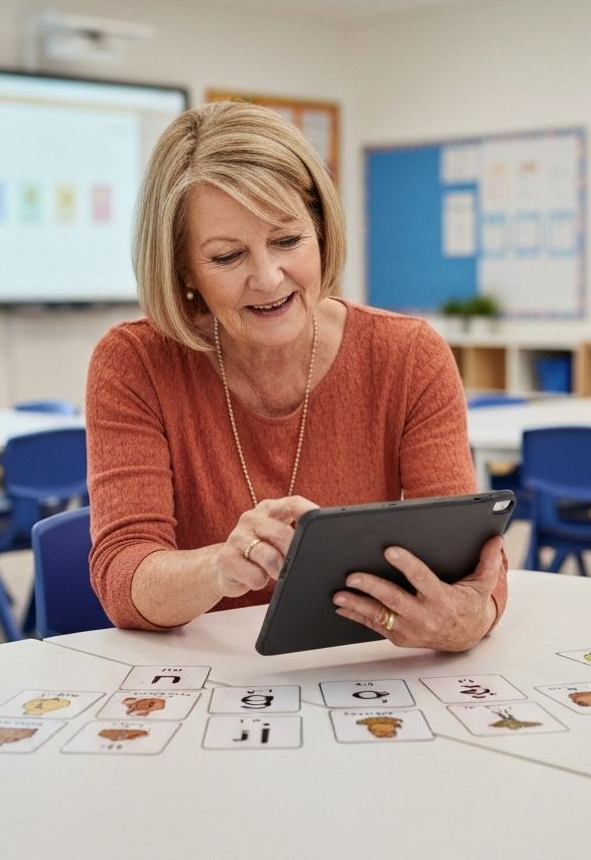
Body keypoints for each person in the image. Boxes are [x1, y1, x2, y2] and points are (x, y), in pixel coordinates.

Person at [86, 101, 508, 651]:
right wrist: (219, 567)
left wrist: (469, 618)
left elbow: (474, 564)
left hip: (358, 670)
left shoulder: (408, 355)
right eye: (228, 256)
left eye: (287, 241)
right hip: (208, 678)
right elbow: (124, 576)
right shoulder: (134, 363)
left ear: (321, 230)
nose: (267, 278)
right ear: (183, 269)